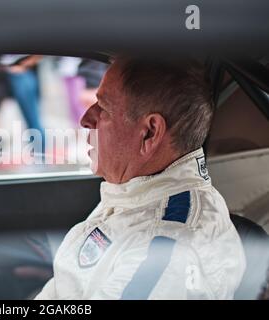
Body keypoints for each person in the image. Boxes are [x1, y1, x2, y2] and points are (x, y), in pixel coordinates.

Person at [35, 58, 246, 300]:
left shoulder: (165, 251)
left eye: (103, 108)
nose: (85, 119)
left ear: (149, 133)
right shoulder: (135, 192)